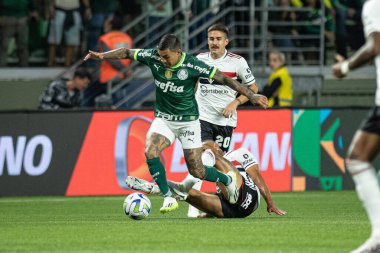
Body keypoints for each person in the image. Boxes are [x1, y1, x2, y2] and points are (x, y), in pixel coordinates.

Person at [84, 34, 268, 213]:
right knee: (150, 150)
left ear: (178, 52)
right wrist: (102, 56)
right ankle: (167, 197)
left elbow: (225, 79)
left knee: (197, 171)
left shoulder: (193, 64)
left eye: (166, 57)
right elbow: (126, 52)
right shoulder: (153, 56)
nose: (162, 60)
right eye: (160, 55)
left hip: (188, 122)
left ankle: (226, 180)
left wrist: (252, 95)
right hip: (164, 118)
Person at [184, 23, 259, 217]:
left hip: (225, 122)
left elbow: (253, 88)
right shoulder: (199, 59)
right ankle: (193, 209)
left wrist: (234, 103)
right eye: (211, 39)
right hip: (202, 118)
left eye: (218, 39)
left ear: (226, 41)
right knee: (201, 159)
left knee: (215, 163)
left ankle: (211, 203)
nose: (214, 43)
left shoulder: (237, 62)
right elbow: (192, 84)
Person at [126, 141, 287, 218]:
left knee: (213, 161)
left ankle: (230, 183)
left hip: (248, 197)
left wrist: (270, 203)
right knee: (189, 195)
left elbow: (257, 178)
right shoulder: (209, 168)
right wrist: (209, 213)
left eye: (205, 148)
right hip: (232, 211)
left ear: (217, 146)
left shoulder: (239, 154)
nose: (202, 151)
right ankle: (155, 188)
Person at [332, 0, 380, 252]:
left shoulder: (374, 6)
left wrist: (345, 66)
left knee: (357, 157)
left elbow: (375, 46)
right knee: (357, 157)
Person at [0, 0, 38, 67]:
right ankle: (1, 66)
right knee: (4, 45)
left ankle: (24, 67)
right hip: (7, 19)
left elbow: (31, 4)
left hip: (22, 19)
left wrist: (33, 11)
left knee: (23, 46)